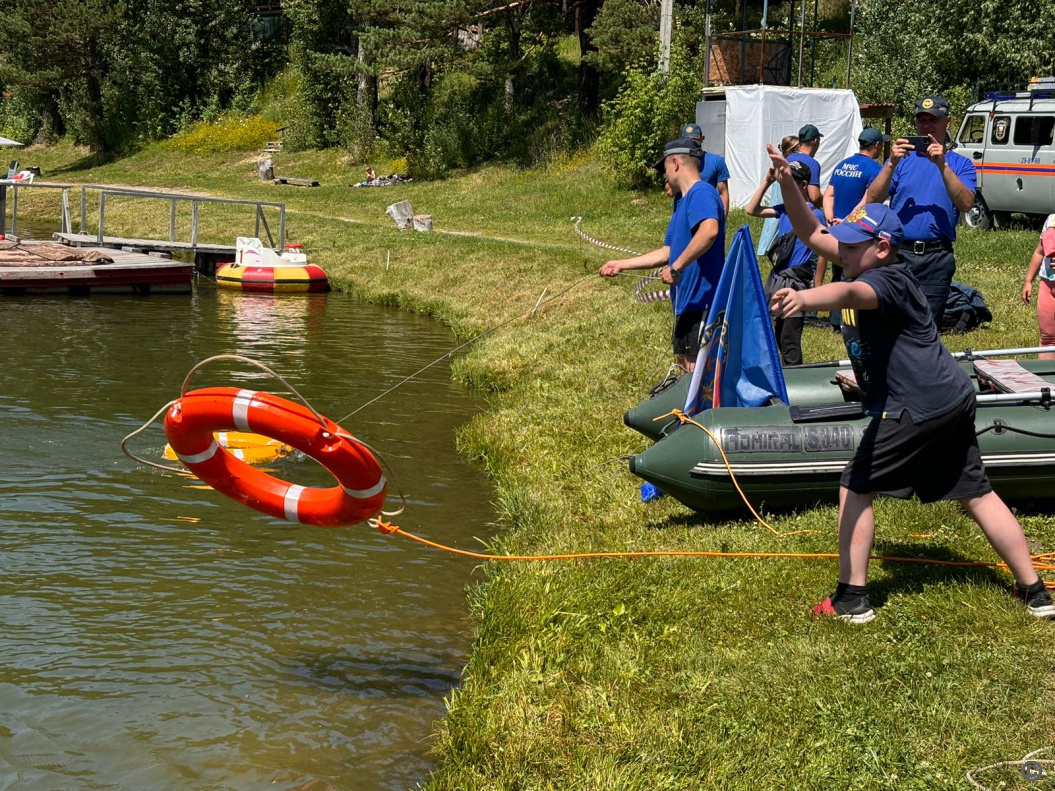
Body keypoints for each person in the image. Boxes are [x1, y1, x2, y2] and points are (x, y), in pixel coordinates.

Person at [764, 142, 1054, 623]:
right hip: (951, 397)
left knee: (855, 484)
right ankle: (1037, 593)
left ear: (881, 247)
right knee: (976, 492)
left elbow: (850, 290)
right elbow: (812, 230)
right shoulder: (865, 256)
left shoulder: (886, 280)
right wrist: (788, 183)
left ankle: (851, 600)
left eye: (854, 244)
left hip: (916, 405)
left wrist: (807, 297)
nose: (843, 250)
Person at [599, 138, 726, 373]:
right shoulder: (683, 203)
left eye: (664, 169)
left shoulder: (701, 193)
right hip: (687, 301)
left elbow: (710, 231)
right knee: (684, 363)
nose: (664, 177)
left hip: (701, 301)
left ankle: (702, 412)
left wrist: (676, 268)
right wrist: (621, 264)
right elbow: (667, 251)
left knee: (696, 372)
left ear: (676, 163)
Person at [866, 95, 976, 330]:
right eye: (921, 120)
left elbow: (966, 203)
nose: (926, 125)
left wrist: (942, 165)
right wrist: (890, 164)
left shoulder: (960, 164)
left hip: (936, 257)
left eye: (932, 120)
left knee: (927, 328)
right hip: (898, 253)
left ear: (947, 122)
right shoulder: (903, 161)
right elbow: (873, 199)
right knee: (890, 323)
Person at [746, 159, 827, 366]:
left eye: (792, 182)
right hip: (776, 279)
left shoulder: (815, 214)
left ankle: (795, 379)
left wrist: (818, 284)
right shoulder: (784, 209)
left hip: (796, 281)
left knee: (789, 339)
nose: (786, 186)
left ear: (804, 185)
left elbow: (824, 251)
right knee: (769, 334)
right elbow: (751, 210)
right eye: (785, 182)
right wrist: (767, 181)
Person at [817, 126, 889, 329]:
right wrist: (849, 220)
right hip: (857, 229)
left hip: (837, 228)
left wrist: (831, 218)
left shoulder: (842, 165)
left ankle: (834, 318)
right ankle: (849, 321)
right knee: (856, 275)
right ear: (876, 146)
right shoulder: (875, 169)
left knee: (838, 272)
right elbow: (868, 200)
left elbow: (828, 194)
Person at [758, 135, 801, 256]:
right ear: (789, 151)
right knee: (775, 220)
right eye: (797, 149)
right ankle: (769, 246)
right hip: (782, 192)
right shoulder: (786, 164)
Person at [1021, 213, 1055, 360]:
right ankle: (1046, 379)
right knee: (1047, 338)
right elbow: (1039, 252)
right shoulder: (1051, 220)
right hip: (1047, 286)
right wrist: (1028, 281)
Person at [680, 123, 730, 216]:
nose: (692, 143)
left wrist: (723, 219)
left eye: (695, 139)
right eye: (688, 140)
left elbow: (723, 192)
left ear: (702, 138)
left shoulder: (716, 161)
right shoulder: (678, 163)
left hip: (708, 211)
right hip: (685, 212)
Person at [788, 124, 823, 208]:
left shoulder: (787, 159)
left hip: (787, 209)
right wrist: (829, 201)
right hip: (804, 212)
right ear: (815, 141)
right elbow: (814, 197)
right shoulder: (812, 164)